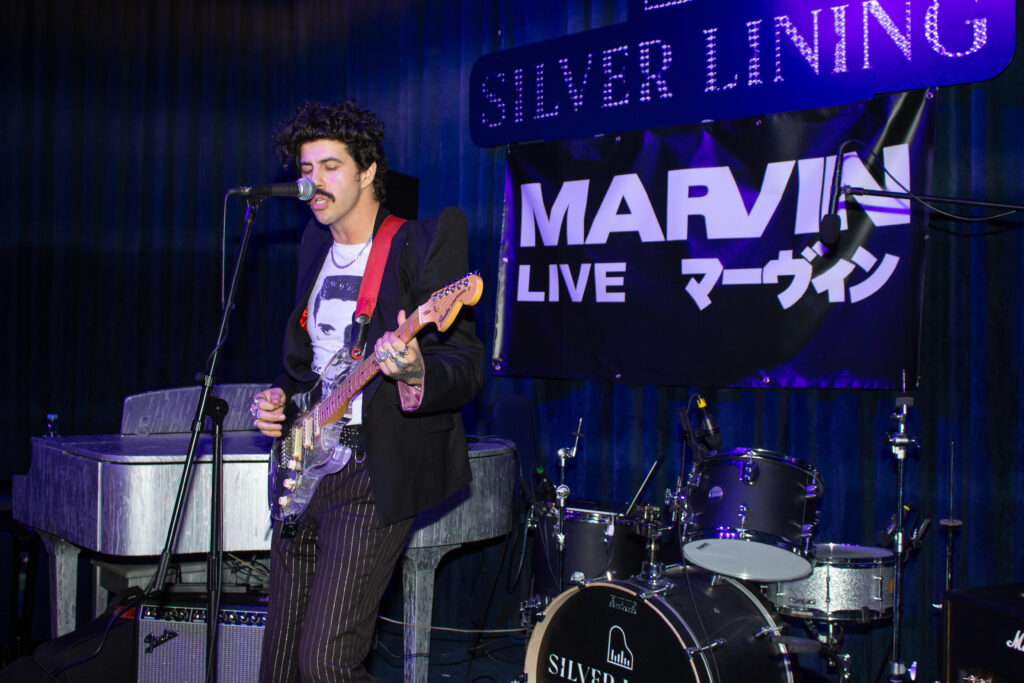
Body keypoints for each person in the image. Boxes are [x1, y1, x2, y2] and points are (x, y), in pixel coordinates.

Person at [250, 99, 484, 682]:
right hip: (303, 465)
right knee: (279, 661)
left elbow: (466, 365)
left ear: (369, 170)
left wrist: (414, 372)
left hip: (370, 473)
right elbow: (306, 368)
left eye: (331, 166)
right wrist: (280, 402)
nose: (314, 182)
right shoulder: (314, 245)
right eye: (306, 169)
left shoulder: (421, 241)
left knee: (325, 662)